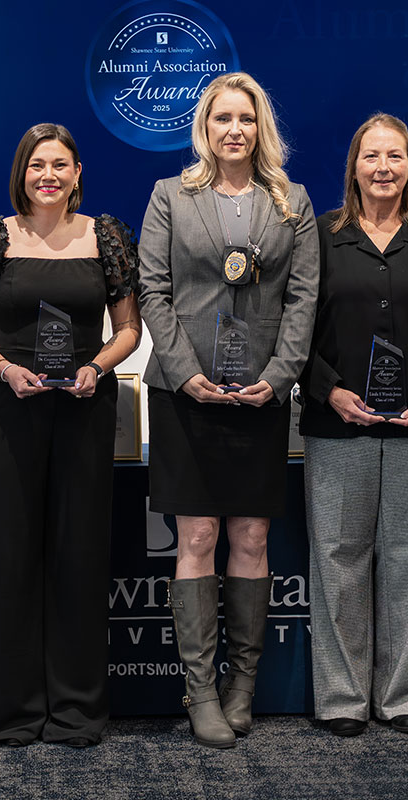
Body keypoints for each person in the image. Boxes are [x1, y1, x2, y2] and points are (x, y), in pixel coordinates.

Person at [138, 72, 318, 748]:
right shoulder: (170, 197)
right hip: (187, 396)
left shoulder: (291, 201)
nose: (234, 130)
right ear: (205, 129)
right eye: (222, 120)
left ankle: (243, 683)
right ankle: (200, 690)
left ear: (259, 128)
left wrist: (278, 377)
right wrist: (185, 374)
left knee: (250, 538)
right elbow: (152, 289)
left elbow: (304, 298)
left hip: (261, 396)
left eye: (245, 119)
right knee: (198, 539)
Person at [0, 123, 141, 747]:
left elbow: (129, 329)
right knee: (10, 559)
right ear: (21, 174)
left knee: (79, 557)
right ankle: (10, 714)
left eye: (60, 164)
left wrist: (97, 367)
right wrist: (4, 367)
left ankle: (78, 711)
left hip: (85, 407)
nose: (48, 175)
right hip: (9, 409)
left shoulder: (106, 237)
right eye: (37, 165)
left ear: (78, 173)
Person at [299, 113, 408, 737]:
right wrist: (329, 390)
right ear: (353, 166)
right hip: (336, 423)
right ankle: (343, 698)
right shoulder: (321, 235)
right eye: (371, 156)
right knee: (338, 560)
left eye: (395, 157)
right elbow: (296, 327)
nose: (383, 167)